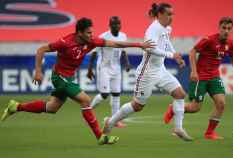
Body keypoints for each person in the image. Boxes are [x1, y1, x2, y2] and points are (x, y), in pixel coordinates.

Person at [1, 17, 154, 145]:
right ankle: (101, 136)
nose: (91, 35)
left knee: (52, 107)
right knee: (85, 100)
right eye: (88, 32)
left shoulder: (92, 41)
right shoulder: (65, 42)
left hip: (68, 77)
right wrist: (38, 71)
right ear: (79, 32)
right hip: (59, 77)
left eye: (92, 32)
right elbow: (41, 49)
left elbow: (116, 44)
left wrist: (139, 44)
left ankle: (16, 106)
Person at [103, 3, 193, 141]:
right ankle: (111, 121)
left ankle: (178, 128)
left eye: (172, 14)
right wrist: (170, 56)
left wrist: (176, 56)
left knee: (180, 94)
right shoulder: (153, 29)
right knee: (137, 106)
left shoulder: (167, 28)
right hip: (147, 72)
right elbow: (149, 49)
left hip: (160, 70)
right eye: (168, 14)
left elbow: (167, 42)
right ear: (160, 15)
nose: (171, 17)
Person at [164, 17, 233, 140]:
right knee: (195, 108)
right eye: (224, 28)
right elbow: (192, 52)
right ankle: (174, 108)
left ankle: (209, 133)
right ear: (219, 28)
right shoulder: (209, 40)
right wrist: (194, 72)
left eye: (229, 28)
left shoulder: (231, 43)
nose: (226, 31)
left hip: (214, 77)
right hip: (200, 77)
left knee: (221, 103)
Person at [87, 16, 131, 128]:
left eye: (118, 24)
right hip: (104, 68)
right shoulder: (103, 37)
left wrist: (126, 63)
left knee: (116, 94)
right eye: (114, 24)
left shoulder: (123, 36)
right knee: (104, 94)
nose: (117, 26)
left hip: (116, 68)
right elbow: (94, 53)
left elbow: (124, 51)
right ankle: (89, 110)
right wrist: (90, 69)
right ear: (110, 26)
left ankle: (115, 120)